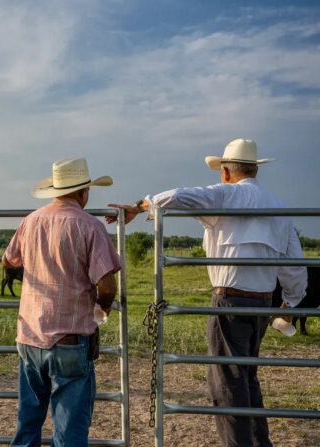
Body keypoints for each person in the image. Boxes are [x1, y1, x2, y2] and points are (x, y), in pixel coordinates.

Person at [106, 138, 307, 447]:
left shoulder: (224, 195)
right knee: (248, 378)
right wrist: (288, 303)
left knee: (227, 384)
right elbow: (294, 267)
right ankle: (259, 443)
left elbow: (175, 196)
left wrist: (140, 206)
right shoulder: (278, 206)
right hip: (264, 302)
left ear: (225, 171)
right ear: (255, 169)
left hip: (229, 300)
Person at [3, 158, 121, 446]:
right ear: (84, 192)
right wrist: (102, 307)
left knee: (28, 421)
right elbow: (106, 284)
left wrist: (33, 275)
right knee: (69, 431)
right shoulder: (90, 226)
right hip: (70, 340)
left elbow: (8, 260)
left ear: (55, 190)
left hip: (30, 337)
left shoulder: (30, 221)